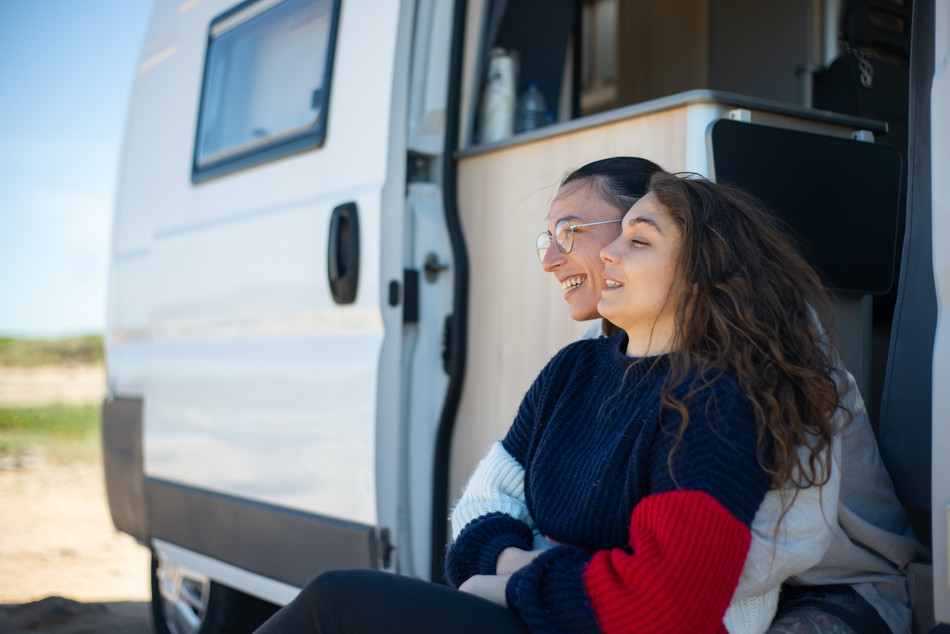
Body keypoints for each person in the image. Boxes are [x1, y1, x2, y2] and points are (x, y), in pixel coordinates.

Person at [254, 171, 919, 633]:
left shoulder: (735, 385)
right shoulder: (575, 369)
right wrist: (529, 565)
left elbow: (682, 599)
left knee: (342, 601)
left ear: (703, 271)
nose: (572, 259)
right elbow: (482, 512)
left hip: (813, 595)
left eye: (633, 238)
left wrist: (520, 574)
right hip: (566, 611)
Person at [533, 159, 924, 634]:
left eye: (571, 231)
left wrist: (588, 582)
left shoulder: (765, 338)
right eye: (549, 238)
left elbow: (780, 543)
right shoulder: (600, 353)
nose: (551, 258)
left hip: (831, 582)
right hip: (662, 583)